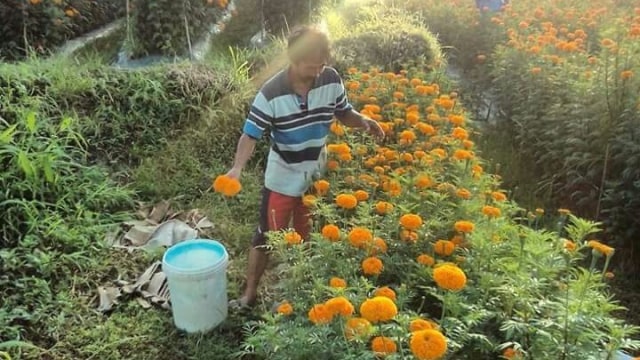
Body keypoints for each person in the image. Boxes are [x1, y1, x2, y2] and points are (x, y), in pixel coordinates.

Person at [226, 25, 385, 310]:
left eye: (321, 65)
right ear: (292, 58)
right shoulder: (271, 93)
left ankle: (297, 294)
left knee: (306, 236)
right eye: (310, 66)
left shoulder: (330, 79)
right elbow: (251, 134)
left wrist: (363, 121)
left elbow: (343, 111)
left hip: (315, 174)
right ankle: (249, 294)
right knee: (267, 236)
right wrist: (237, 168)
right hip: (283, 175)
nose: (316, 72)